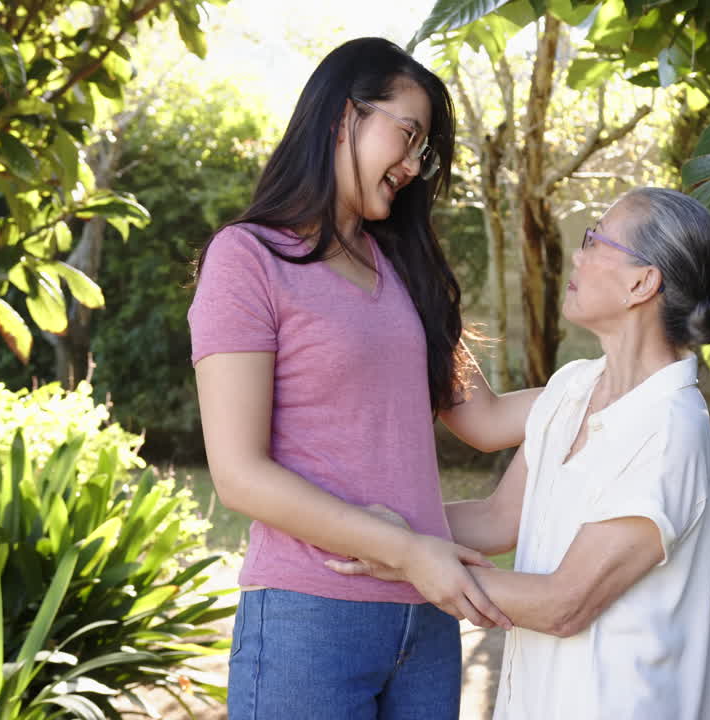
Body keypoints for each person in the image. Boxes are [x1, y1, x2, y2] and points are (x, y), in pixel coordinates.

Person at [188, 37, 539, 719]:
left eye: (423, 151)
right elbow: (237, 475)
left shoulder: (404, 267)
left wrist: (618, 381)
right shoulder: (248, 258)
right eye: (406, 135)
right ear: (344, 116)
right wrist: (408, 550)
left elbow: (489, 422)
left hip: (425, 622)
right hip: (309, 623)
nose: (412, 166)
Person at [332, 187, 710, 719]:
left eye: (596, 240)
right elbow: (497, 510)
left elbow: (564, 605)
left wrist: (410, 559)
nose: (579, 255)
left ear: (643, 282)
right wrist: (386, 531)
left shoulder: (669, 429)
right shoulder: (575, 388)